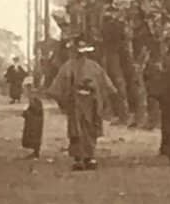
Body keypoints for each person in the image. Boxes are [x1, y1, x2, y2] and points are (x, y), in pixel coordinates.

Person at [47, 40, 120, 171]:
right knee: (78, 130)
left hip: (90, 103)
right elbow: (58, 87)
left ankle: (88, 157)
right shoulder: (70, 67)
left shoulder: (92, 67)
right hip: (77, 103)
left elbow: (106, 86)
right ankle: (80, 158)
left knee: (89, 129)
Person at [21, 91, 45, 157]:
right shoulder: (34, 101)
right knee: (34, 137)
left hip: (35, 123)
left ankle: (36, 152)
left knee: (34, 137)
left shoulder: (36, 102)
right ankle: (35, 152)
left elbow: (36, 111)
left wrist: (26, 112)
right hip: (34, 123)